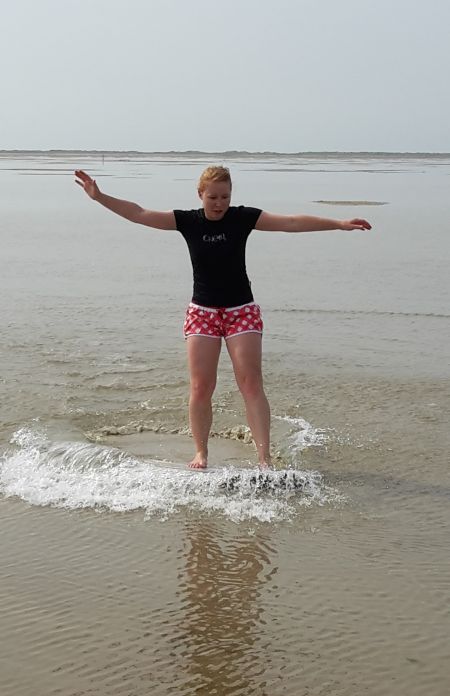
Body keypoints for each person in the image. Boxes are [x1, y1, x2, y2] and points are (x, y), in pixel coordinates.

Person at [75, 165, 371, 469]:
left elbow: (291, 222)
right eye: (213, 197)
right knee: (201, 387)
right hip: (202, 313)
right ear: (200, 194)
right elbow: (138, 213)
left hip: (241, 311)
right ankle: (201, 453)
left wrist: (339, 223)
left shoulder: (242, 218)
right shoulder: (187, 221)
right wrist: (99, 197)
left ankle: (264, 458)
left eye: (225, 197)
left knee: (251, 383)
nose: (219, 203)